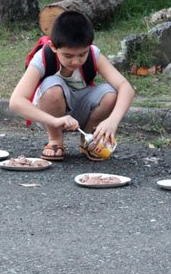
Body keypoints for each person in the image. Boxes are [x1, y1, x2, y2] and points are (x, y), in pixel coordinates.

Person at [9, 11, 135, 161]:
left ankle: (88, 139)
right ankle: (55, 139)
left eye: (82, 54)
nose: (76, 62)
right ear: (54, 47)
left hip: (82, 109)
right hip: (50, 115)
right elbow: (16, 102)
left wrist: (112, 121)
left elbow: (125, 87)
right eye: (68, 56)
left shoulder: (94, 54)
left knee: (111, 93)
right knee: (52, 88)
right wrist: (55, 121)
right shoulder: (43, 57)